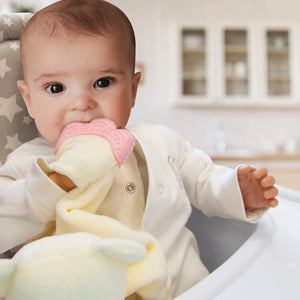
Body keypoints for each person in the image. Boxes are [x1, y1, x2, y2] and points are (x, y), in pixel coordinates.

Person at [0, 0, 278, 298]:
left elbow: (204, 181)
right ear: (28, 99)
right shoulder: (30, 162)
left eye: (102, 82)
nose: (81, 103)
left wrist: (237, 190)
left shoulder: (162, 140)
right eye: (56, 88)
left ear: (133, 90)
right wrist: (51, 185)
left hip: (185, 287)